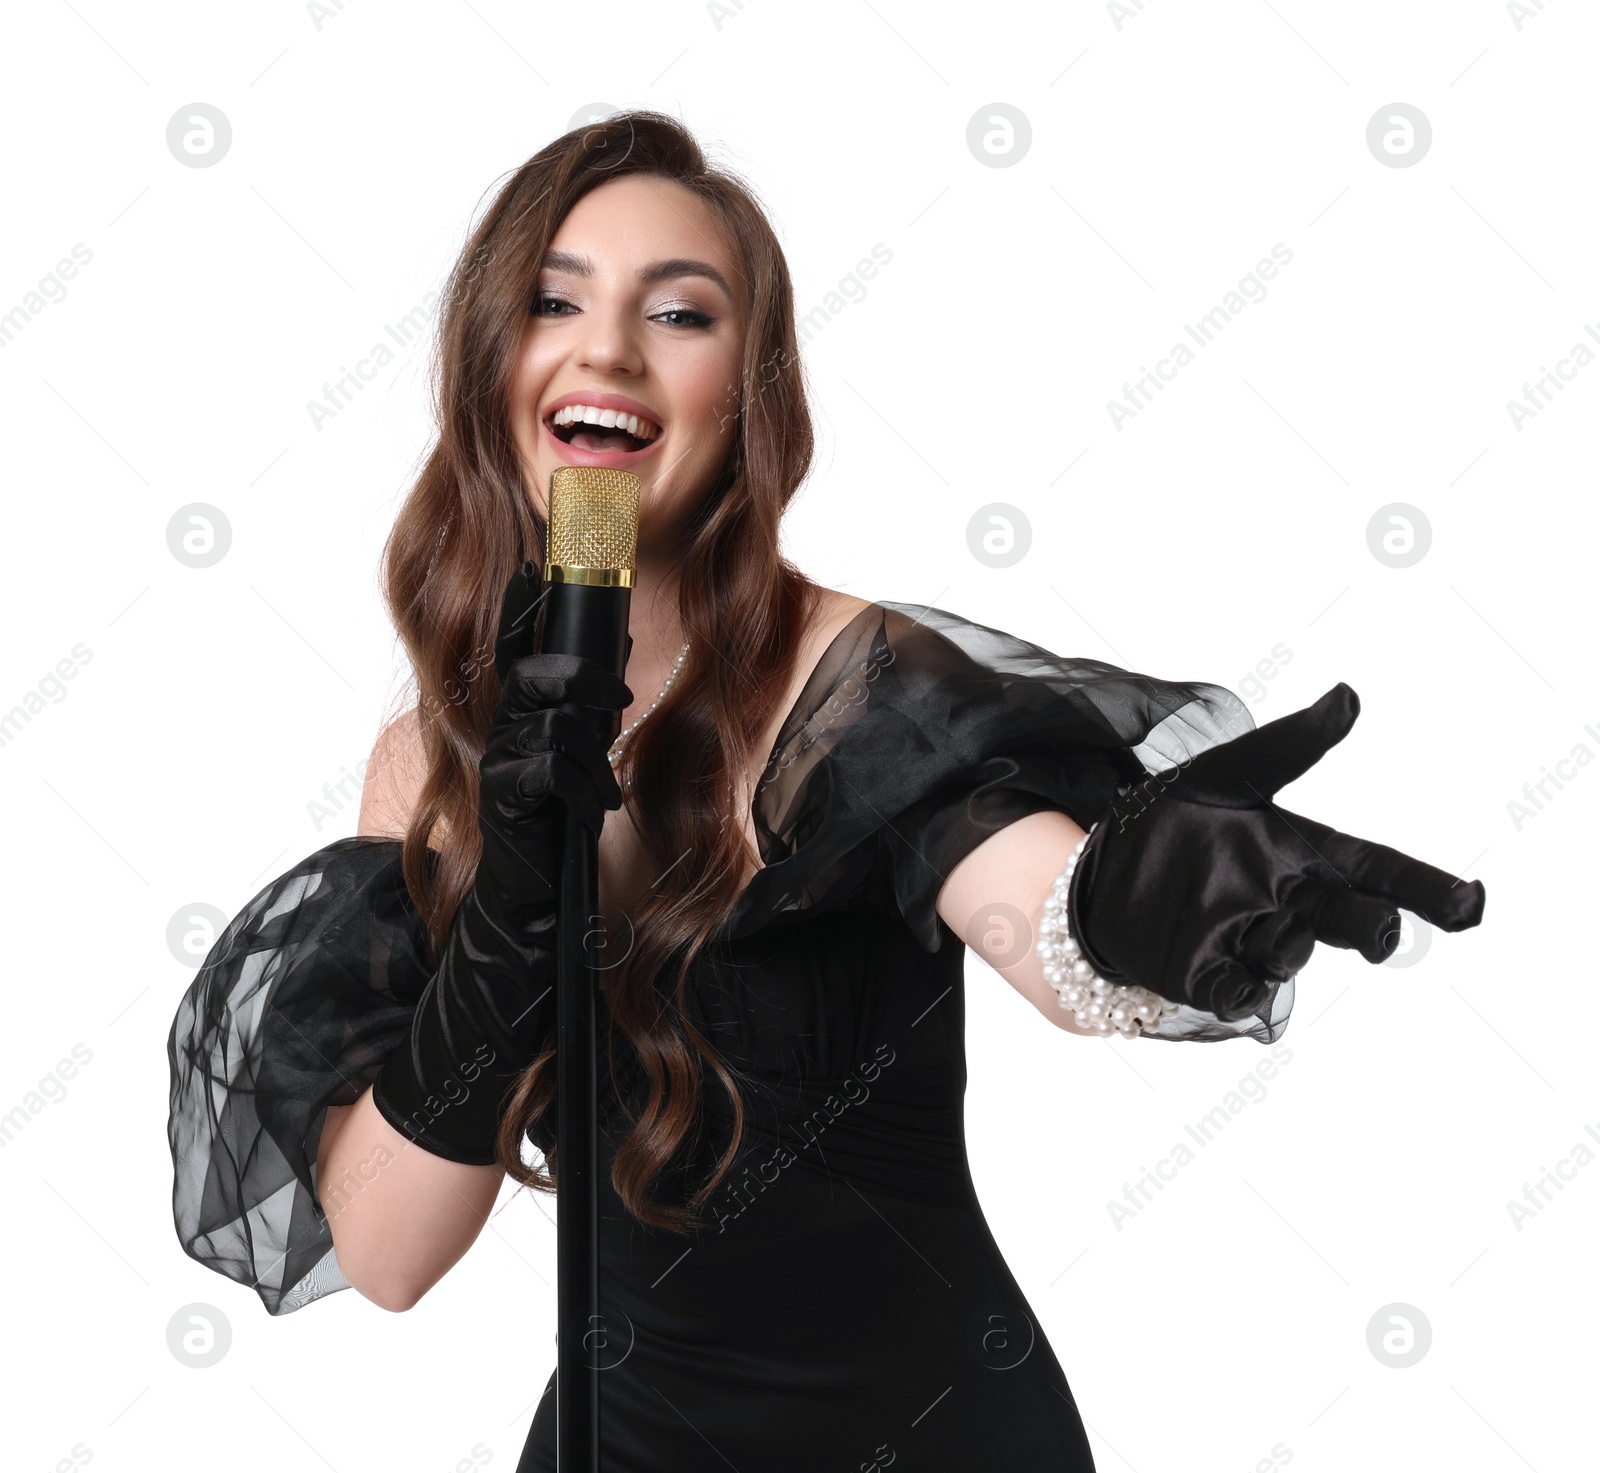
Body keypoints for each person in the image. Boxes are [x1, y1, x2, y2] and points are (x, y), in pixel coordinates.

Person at [166, 111, 1486, 1471]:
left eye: (680, 313)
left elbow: (1022, 897)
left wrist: (1131, 906)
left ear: (751, 392)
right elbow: (384, 1252)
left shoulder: (858, 680)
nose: (608, 347)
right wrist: (512, 895)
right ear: (494, 365)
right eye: (556, 299)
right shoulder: (431, 760)